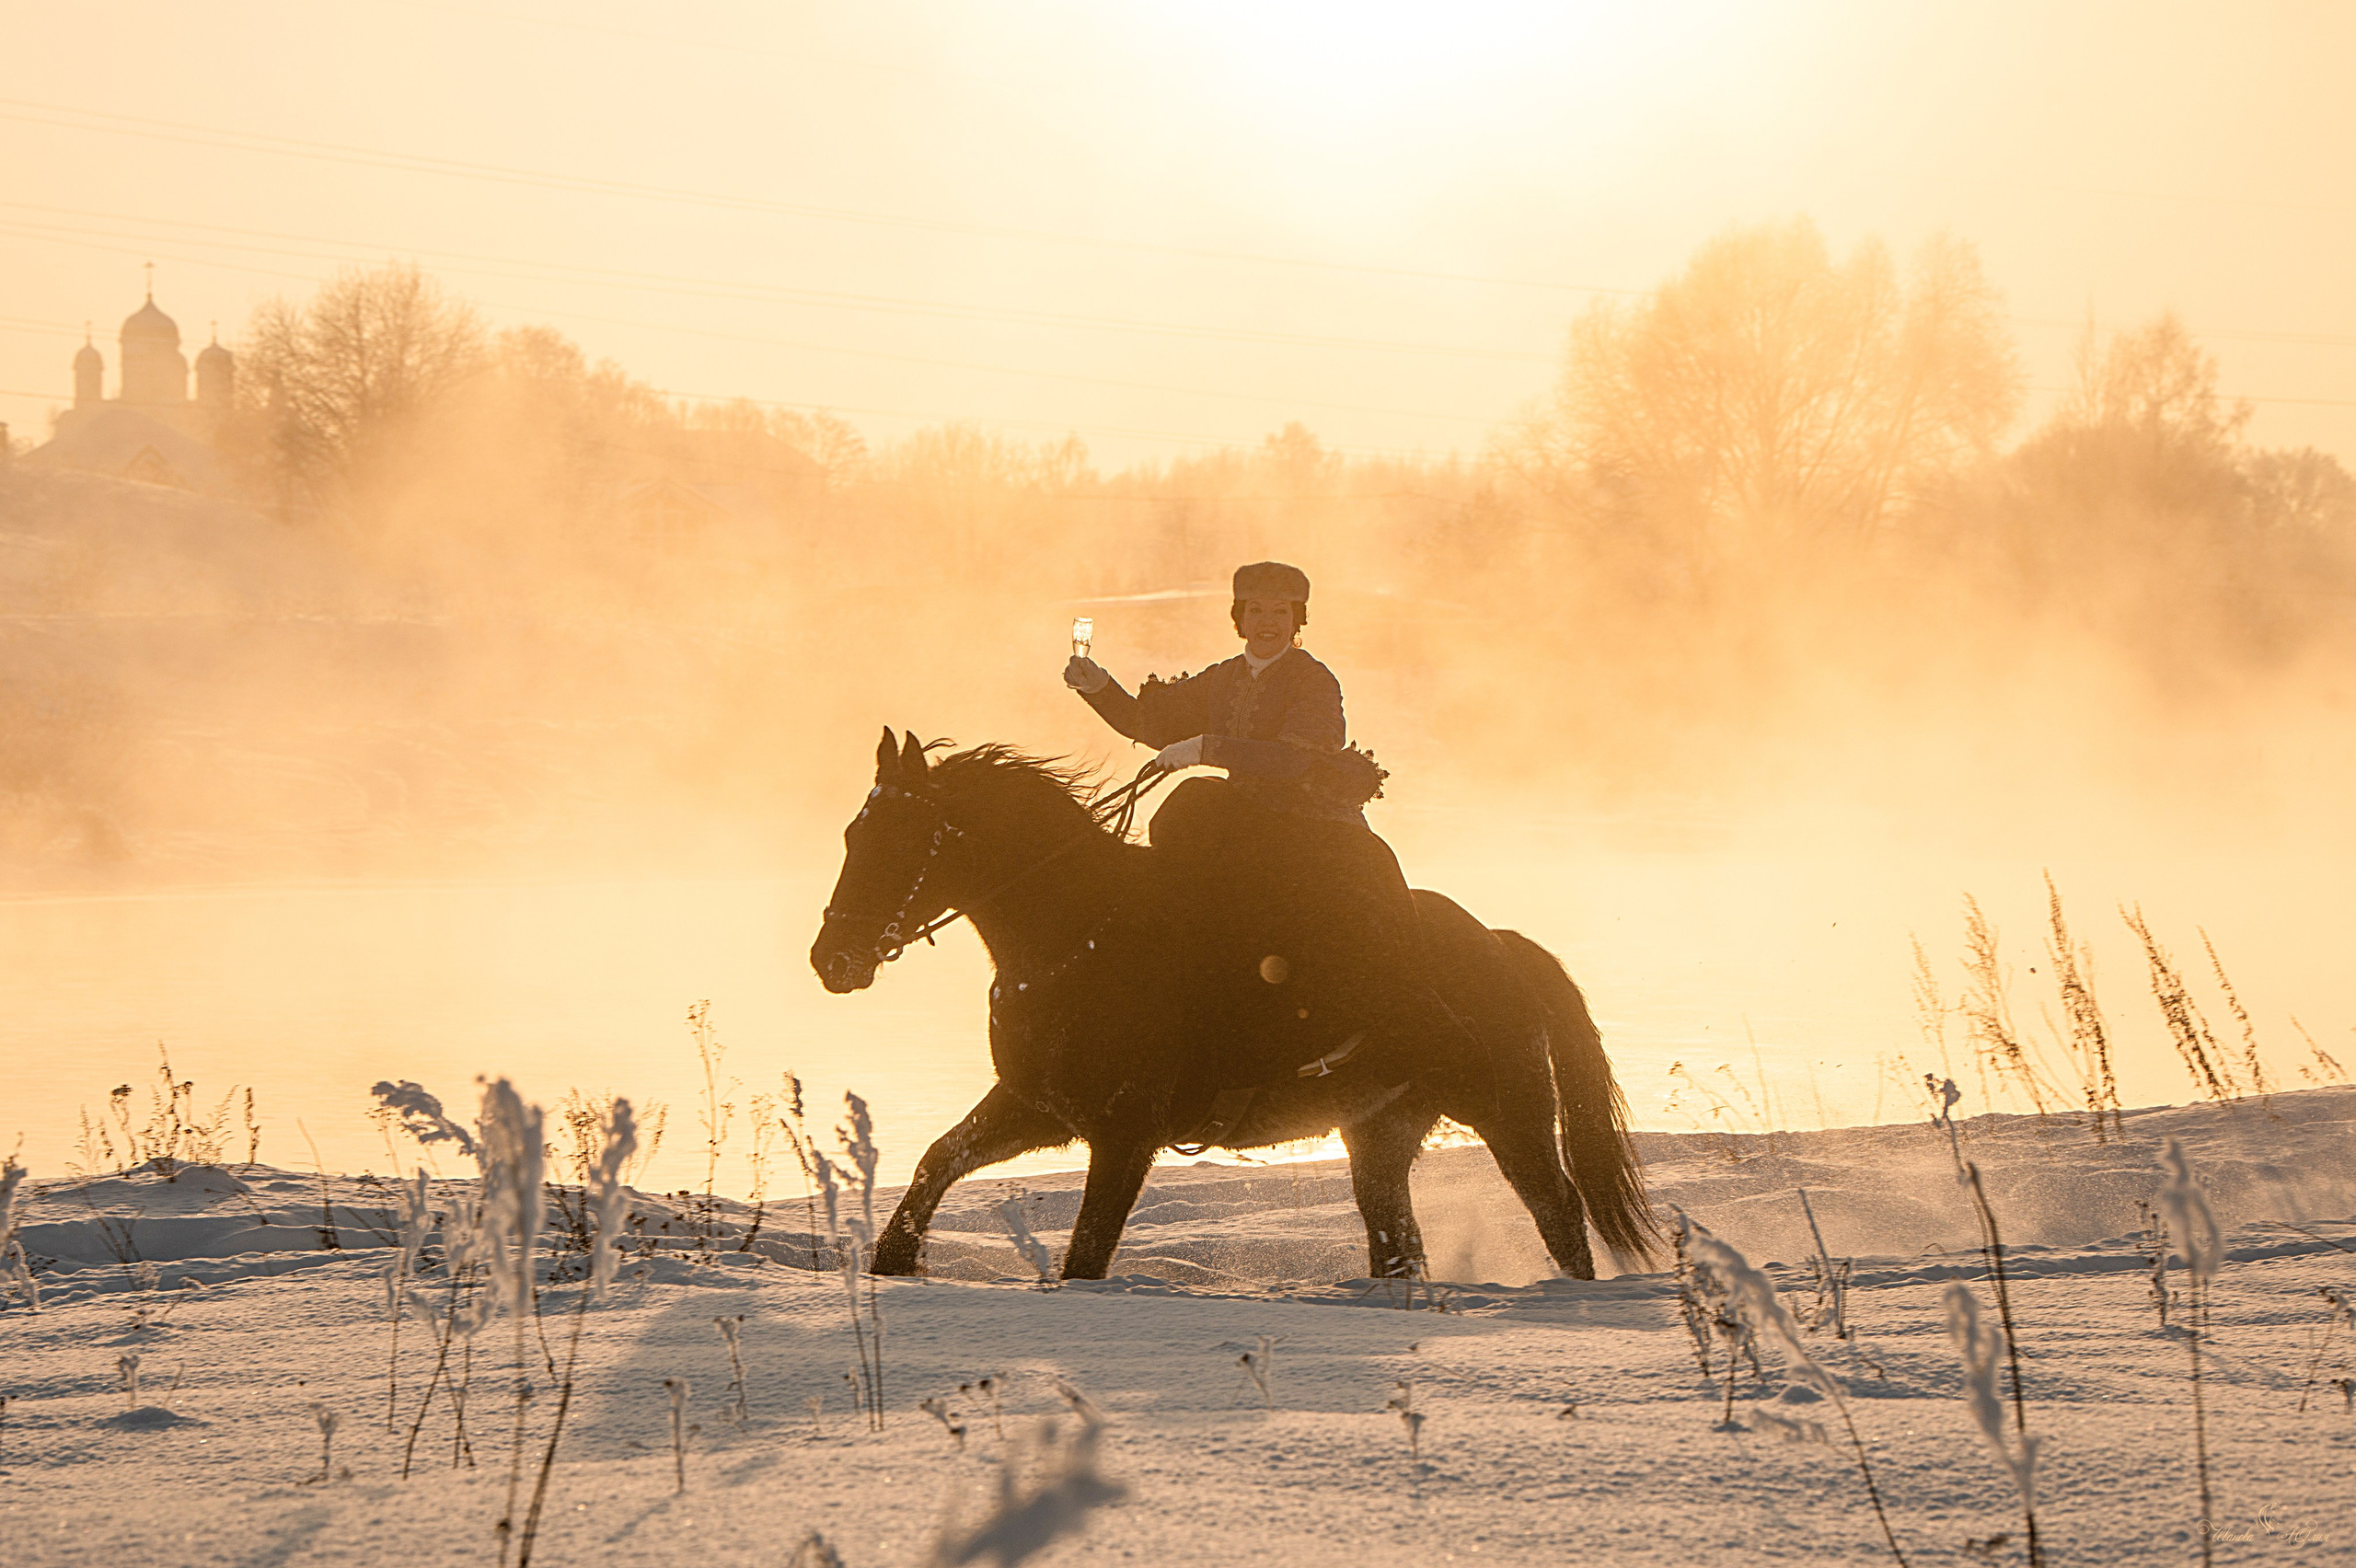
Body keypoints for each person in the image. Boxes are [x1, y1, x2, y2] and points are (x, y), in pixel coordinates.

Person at [1062, 562, 1469, 1142]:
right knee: (1182, 816)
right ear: (1240, 617)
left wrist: (1206, 746)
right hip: (1246, 820)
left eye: (1282, 612)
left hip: (1310, 825)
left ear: (1297, 620)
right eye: (1257, 611)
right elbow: (1151, 722)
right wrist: (1096, 685)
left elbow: (1292, 758)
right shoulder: (1224, 677)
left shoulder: (1314, 681)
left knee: (1202, 815)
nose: (1268, 622)